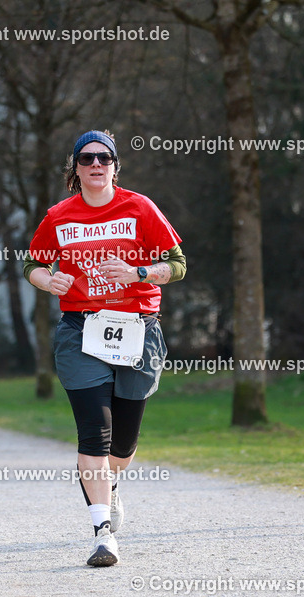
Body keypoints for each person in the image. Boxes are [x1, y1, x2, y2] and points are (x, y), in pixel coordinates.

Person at [24, 130, 185, 566]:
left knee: (123, 446)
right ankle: (102, 533)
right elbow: (33, 264)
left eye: (105, 158)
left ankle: (111, 485)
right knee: (94, 433)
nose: (96, 165)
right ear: (75, 169)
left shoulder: (140, 208)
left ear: (115, 166)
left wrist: (138, 273)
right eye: (87, 158)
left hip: (137, 329)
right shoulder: (59, 216)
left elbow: (177, 264)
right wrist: (48, 280)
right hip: (81, 332)